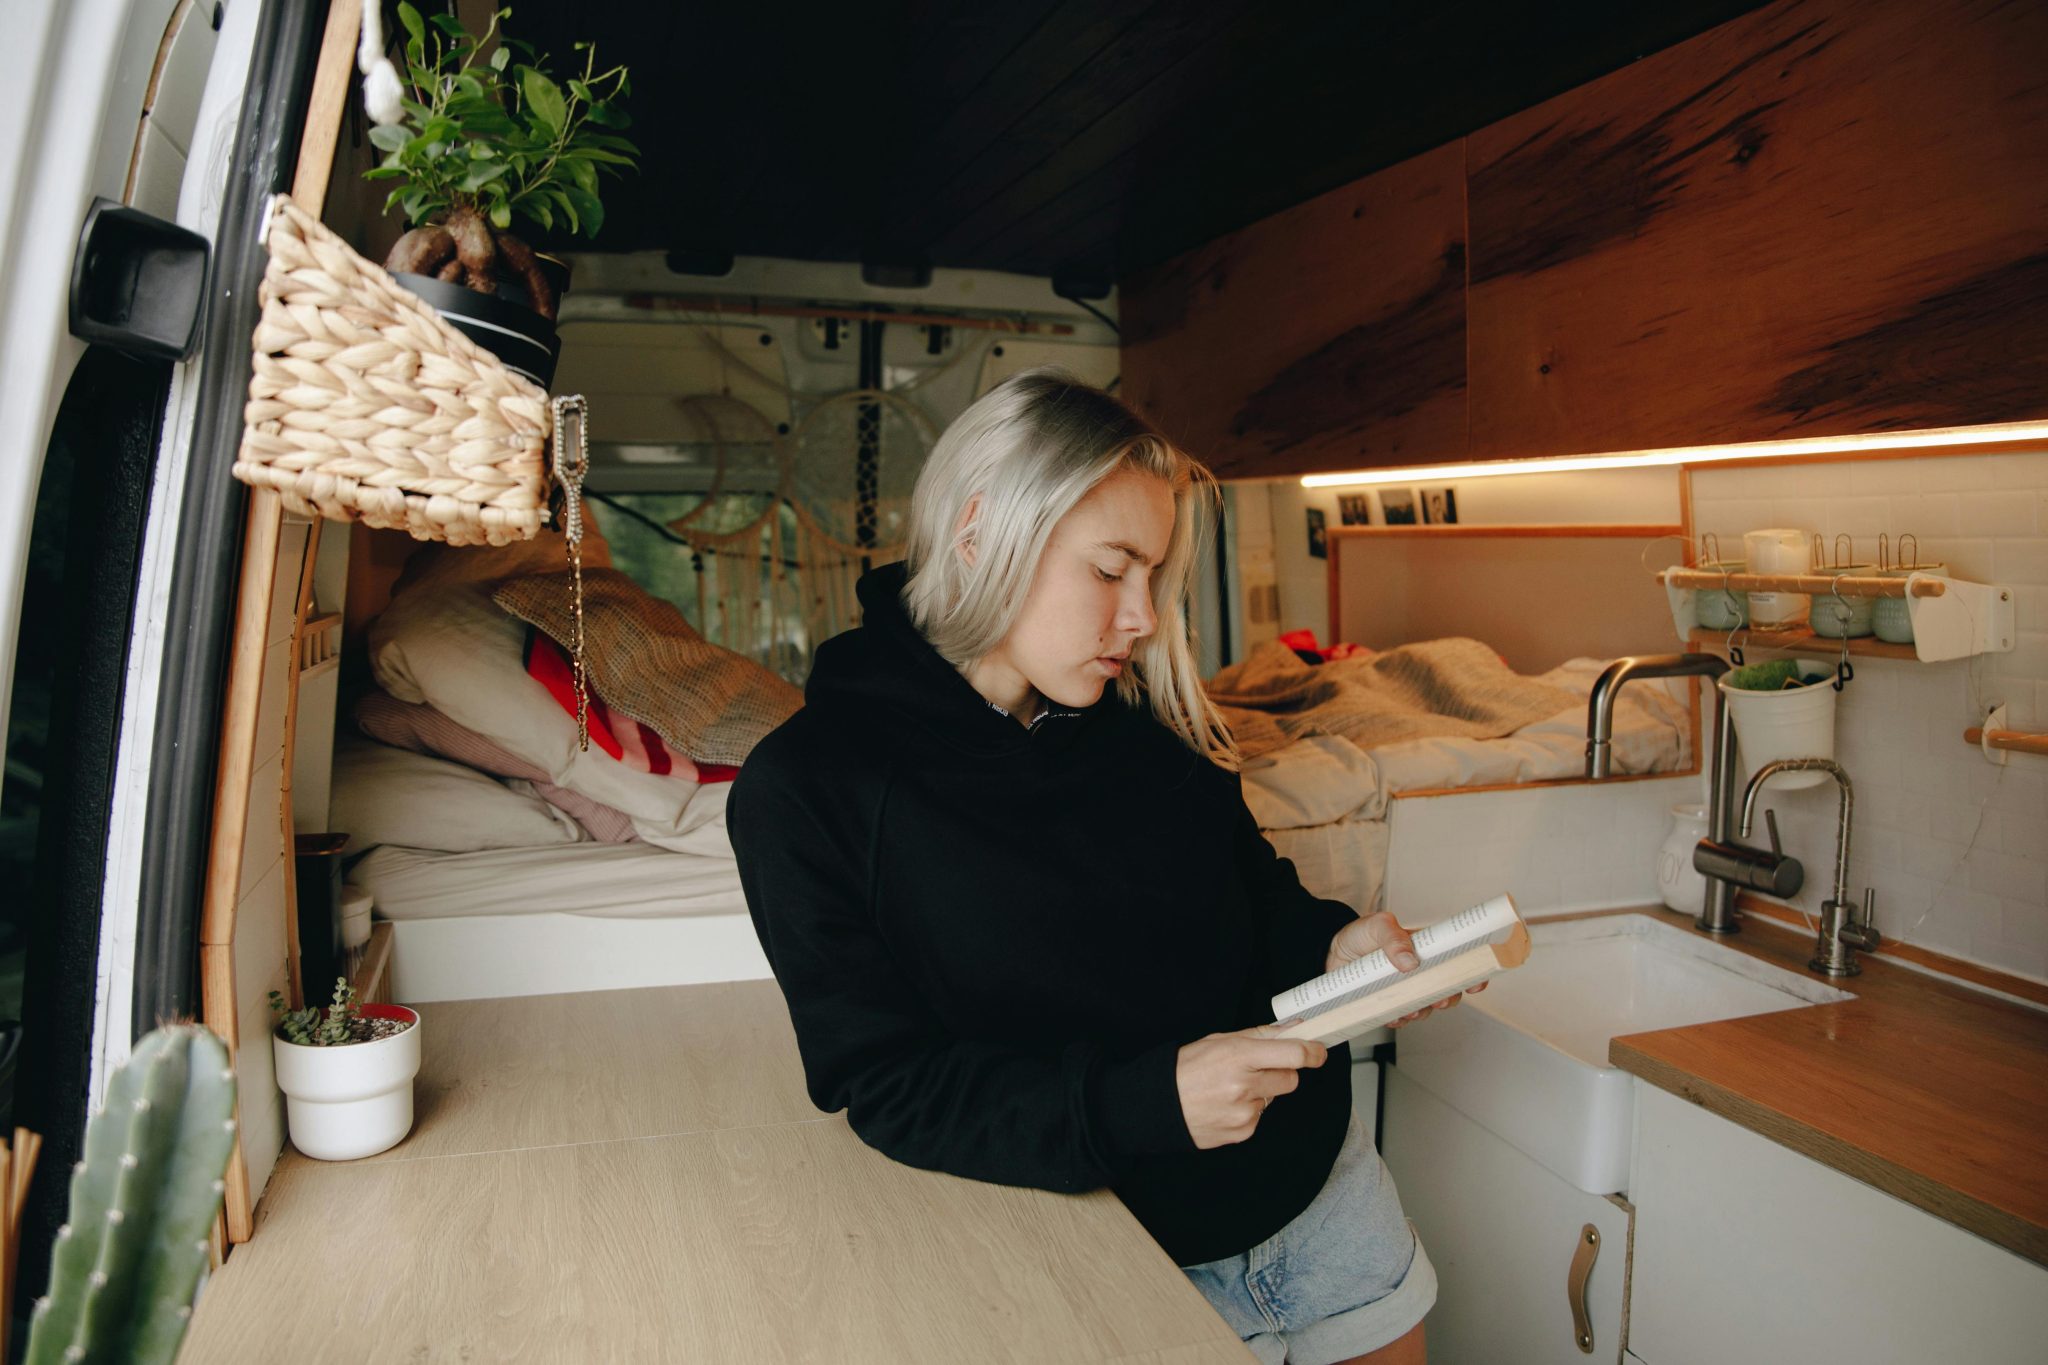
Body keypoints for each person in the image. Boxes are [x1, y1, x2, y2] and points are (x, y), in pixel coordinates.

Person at [728, 368, 1480, 1365]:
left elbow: (1251, 898)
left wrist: (1337, 942)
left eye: (1152, 578)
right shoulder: (804, 791)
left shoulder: (1135, 729)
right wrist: (1147, 1101)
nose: (1142, 620)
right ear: (980, 534)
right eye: (1109, 570)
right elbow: (892, 1088)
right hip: (1114, 1241)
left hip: (1322, 1196)